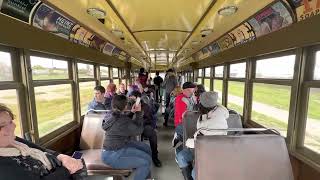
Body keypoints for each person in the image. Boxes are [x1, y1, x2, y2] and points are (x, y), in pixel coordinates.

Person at [0, 104, 85, 180]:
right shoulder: (3, 167)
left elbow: (41, 149)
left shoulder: (14, 140)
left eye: (11, 121)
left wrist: (61, 156)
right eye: (3, 125)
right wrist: (67, 170)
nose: (14, 126)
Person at [177, 92, 229, 180]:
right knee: (182, 155)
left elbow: (199, 141)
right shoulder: (218, 111)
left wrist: (188, 142)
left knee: (183, 158)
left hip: (208, 152)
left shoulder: (211, 123)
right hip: (214, 149)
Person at [101, 95, 153, 180]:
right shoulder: (121, 119)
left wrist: (132, 112)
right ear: (125, 106)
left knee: (146, 150)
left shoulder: (111, 115)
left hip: (117, 148)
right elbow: (138, 130)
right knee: (145, 162)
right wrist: (139, 113)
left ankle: (146, 177)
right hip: (113, 155)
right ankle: (144, 175)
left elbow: (122, 121)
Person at [128, 91, 162, 167]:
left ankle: (155, 156)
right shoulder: (127, 105)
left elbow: (149, 119)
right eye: (130, 97)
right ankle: (131, 159)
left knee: (152, 134)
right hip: (130, 127)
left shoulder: (145, 106)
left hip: (143, 126)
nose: (131, 98)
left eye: (133, 97)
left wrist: (140, 120)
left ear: (138, 98)